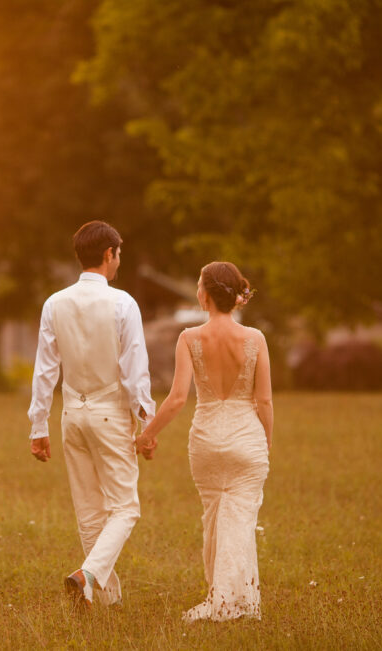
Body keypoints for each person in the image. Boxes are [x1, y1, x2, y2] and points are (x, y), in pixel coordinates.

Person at [136, 261, 274, 622]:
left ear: (207, 294)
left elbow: (178, 398)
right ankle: (232, 601)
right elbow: (264, 401)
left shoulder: (189, 338)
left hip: (207, 438)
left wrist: (148, 434)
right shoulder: (256, 339)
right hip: (247, 437)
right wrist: (267, 440)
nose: (197, 291)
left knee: (215, 515)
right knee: (239, 518)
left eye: (199, 284)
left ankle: (226, 597)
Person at [28, 220, 156, 610]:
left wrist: (38, 425)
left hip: (71, 416)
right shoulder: (123, 303)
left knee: (88, 510)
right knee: (125, 507)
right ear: (108, 254)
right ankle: (87, 576)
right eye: (119, 253)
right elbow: (136, 372)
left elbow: (45, 369)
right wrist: (148, 423)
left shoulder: (54, 303)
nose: (119, 260)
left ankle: (106, 600)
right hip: (109, 415)